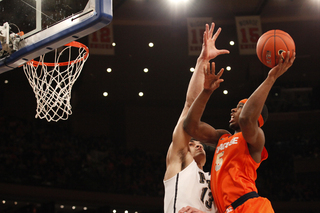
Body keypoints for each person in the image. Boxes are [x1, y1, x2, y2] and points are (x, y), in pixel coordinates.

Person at [182, 51, 296, 213]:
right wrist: (206, 92)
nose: (233, 109)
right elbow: (190, 126)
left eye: (240, 107)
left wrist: (271, 78)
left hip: (252, 207)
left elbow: (246, 120)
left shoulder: (255, 138)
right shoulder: (222, 137)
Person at [163, 22, 229, 213]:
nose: (198, 144)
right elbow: (189, 107)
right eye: (192, 143)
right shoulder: (180, 159)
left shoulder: (214, 180)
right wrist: (203, 60)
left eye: (199, 143)